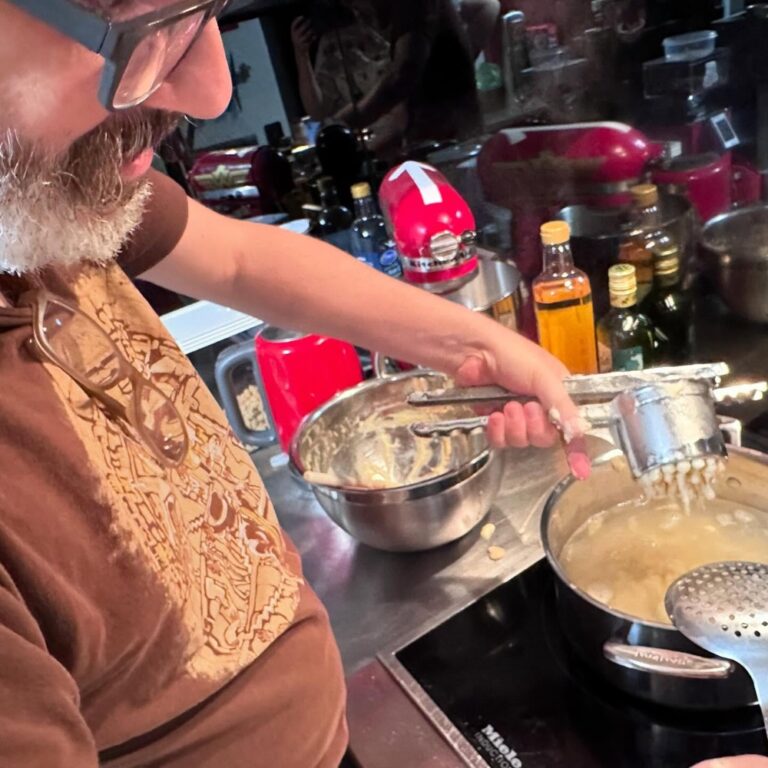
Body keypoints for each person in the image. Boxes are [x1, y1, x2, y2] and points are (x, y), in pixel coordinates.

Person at [0, 0, 586, 766]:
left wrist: (474, 345)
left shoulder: (38, 198)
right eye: (147, 36)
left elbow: (240, 260)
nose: (212, 91)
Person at [292, 0, 482, 151]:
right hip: (438, 141)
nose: (354, 9)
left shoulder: (412, 5)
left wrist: (341, 124)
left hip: (452, 143)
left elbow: (400, 78)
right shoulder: (395, 23)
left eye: (353, 2)